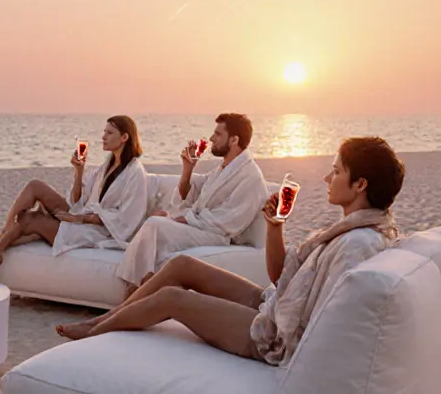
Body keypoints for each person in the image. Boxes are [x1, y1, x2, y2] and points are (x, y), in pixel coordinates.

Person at [55, 136, 405, 368]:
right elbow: (280, 277)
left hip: (278, 335)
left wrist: (276, 320)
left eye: (336, 171)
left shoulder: (355, 245)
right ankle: (103, 319)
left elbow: (324, 327)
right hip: (276, 302)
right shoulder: (355, 229)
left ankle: (95, 331)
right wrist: (274, 228)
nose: (328, 179)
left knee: (174, 298)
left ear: (360, 184)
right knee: (182, 266)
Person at [0, 115, 149, 268]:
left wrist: (81, 219)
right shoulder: (107, 165)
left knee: (30, 218)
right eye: (104, 131)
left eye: (109, 133)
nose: (103, 137)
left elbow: (126, 219)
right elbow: (80, 200)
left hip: (98, 230)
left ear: (124, 137)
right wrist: (79, 171)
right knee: (35, 185)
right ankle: (3, 235)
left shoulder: (135, 173)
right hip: (80, 213)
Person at [115, 112, 268, 290]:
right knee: (155, 223)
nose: (211, 138)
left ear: (234, 140)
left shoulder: (250, 176)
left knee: (155, 224)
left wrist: (184, 219)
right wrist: (188, 168)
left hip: (219, 235)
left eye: (218, 134)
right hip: (202, 228)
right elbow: (195, 193)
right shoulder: (224, 167)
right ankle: (143, 284)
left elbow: (229, 221)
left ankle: (134, 289)